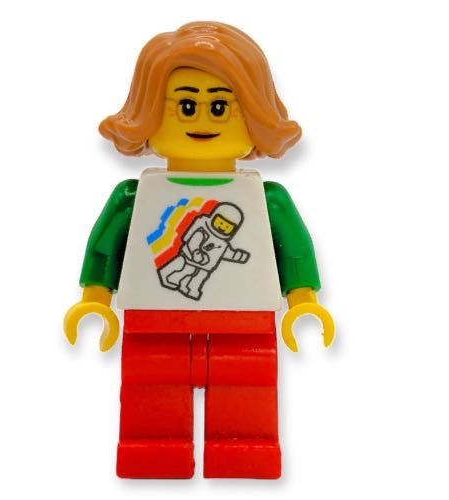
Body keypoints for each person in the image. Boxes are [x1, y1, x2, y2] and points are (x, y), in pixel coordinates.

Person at [64, 21, 334, 479]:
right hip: (153, 320)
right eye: (185, 106)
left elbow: (293, 250)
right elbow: (106, 247)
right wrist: (95, 299)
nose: (202, 120)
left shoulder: (265, 199)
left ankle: (244, 452)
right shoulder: (134, 197)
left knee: (247, 387)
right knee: (152, 386)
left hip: (246, 321)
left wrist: (303, 302)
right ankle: (153, 451)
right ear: (150, 113)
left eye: (221, 106)